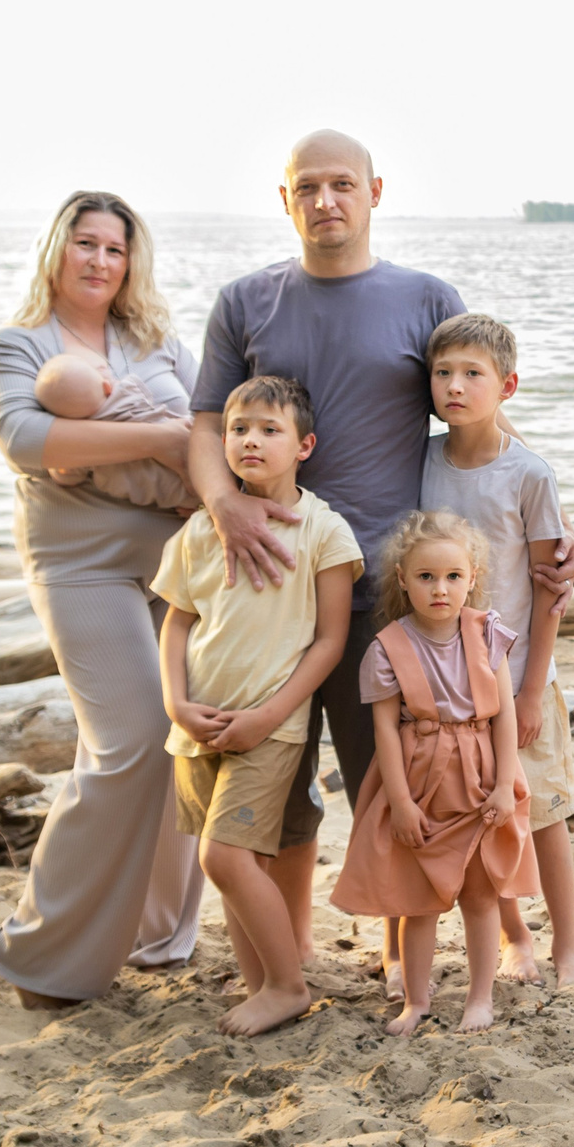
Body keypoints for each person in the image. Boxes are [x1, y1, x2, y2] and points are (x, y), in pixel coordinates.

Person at [190, 130, 574, 974]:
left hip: (389, 593)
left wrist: (546, 516)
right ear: (284, 198)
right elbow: (205, 422)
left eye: (342, 184)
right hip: (270, 588)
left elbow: (475, 408)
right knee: (280, 789)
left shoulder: (425, 295)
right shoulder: (244, 302)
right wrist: (223, 508)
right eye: (307, 187)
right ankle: (289, 951)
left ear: (374, 191)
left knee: (398, 781)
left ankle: (412, 960)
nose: (325, 200)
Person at [0, 192, 208, 1009]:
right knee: (130, 741)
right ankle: (40, 953)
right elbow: (30, 440)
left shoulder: (157, 344)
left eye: (116, 248)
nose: (100, 260)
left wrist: (192, 459)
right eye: (86, 243)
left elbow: (207, 428)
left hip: (174, 561)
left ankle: (158, 930)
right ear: (57, 249)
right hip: (79, 562)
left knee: (183, 735)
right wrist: (156, 438)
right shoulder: (15, 345)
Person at [153, 375, 362, 1035]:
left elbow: (330, 640)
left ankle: (288, 984)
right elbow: (178, 622)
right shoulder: (198, 532)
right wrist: (176, 702)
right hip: (198, 726)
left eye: (269, 429)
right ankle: (263, 984)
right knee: (237, 864)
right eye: (239, 427)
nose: (250, 439)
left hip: (270, 728)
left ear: (304, 445)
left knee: (224, 856)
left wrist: (271, 715)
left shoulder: (323, 530)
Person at [419, 312, 574, 986]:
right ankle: (516, 934)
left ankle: (568, 943)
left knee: (540, 809)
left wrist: (528, 690)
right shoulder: (423, 458)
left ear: (508, 385)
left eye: (472, 374)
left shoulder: (529, 475)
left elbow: (550, 590)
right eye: (442, 373)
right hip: (449, 684)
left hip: (518, 679)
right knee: (478, 814)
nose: (455, 386)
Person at [331, 512, 536, 1035]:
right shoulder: (386, 649)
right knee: (417, 898)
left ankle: (480, 998)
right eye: (425, 577)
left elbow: (504, 715)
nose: (439, 589)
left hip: (480, 777)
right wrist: (399, 803)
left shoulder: (488, 635)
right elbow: (383, 732)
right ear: (403, 579)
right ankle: (417, 1001)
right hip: (421, 784)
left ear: (472, 578)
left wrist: (504, 786)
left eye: (452, 577)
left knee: (480, 893)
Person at [34, 352, 198, 508]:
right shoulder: (127, 391)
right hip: (193, 453)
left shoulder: (85, 448)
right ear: (107, 387)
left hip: (173, 494)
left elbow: (66, 477)